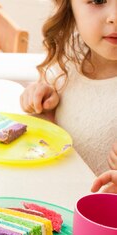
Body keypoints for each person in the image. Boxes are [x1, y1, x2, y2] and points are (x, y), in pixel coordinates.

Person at [19, 0, 117, 175]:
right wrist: (41, 99)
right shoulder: (70, 56)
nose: (115, 18)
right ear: (70, 8)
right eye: (98, 0)